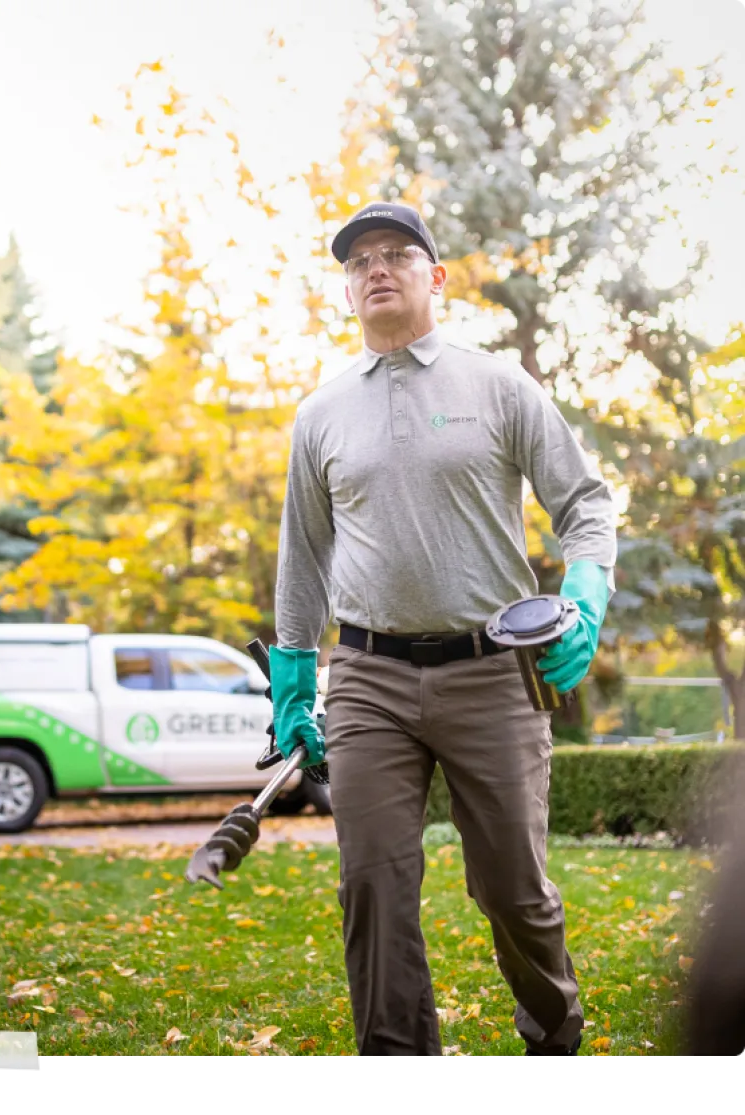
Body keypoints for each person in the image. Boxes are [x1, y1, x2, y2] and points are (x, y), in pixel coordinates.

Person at [269, 201, 617, 1057]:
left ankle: (552, 1034)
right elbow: (304, 557)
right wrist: (290, 677)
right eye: (359, 262)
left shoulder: (497, 385)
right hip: (367, 678)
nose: (376, 269)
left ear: (437, 277)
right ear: (348, 290)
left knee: (513, 890)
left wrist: (585, 598)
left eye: (396, 254)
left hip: (491, 672)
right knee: (373, 889)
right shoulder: (320, 414)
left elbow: (586, 504)